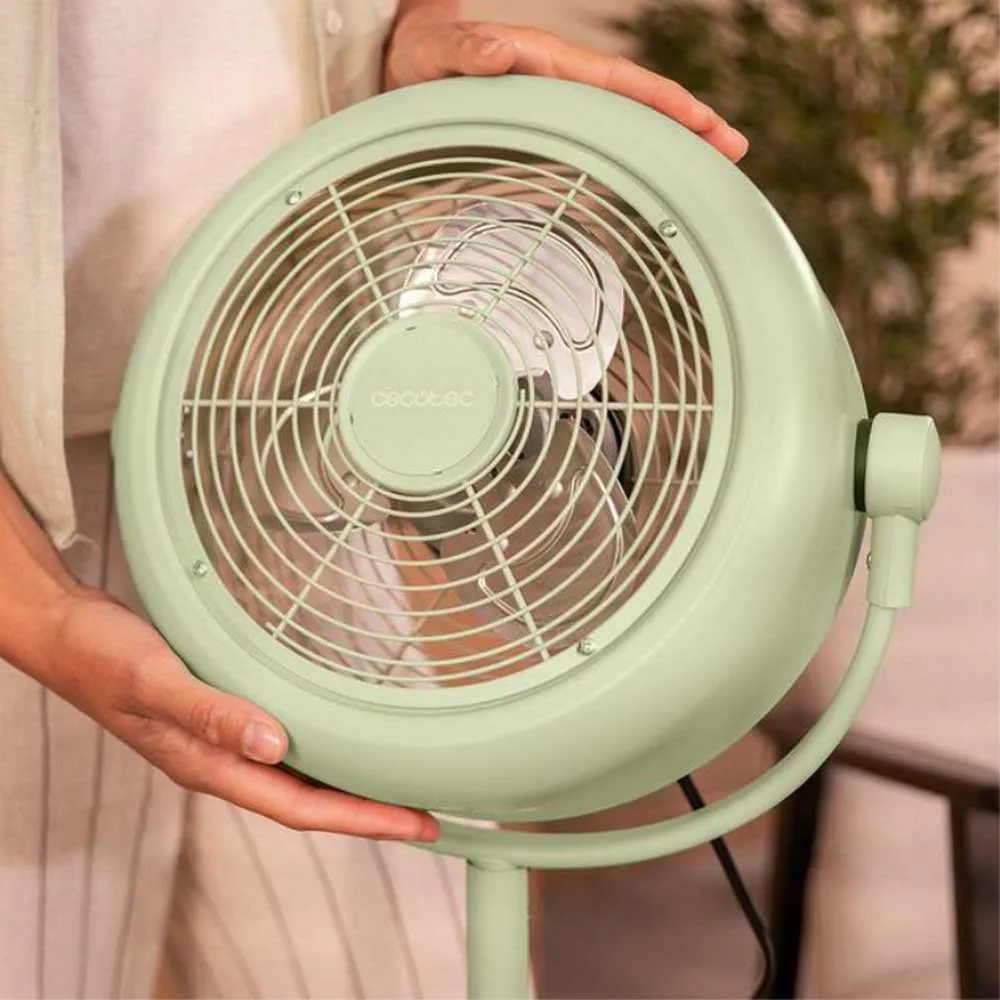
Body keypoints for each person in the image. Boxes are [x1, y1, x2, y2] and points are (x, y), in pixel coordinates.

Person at [0, 1, 748, 996]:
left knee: (407, 960)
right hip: (29, 502)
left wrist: (404, 38)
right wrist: (41, 614)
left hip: (292, 430)